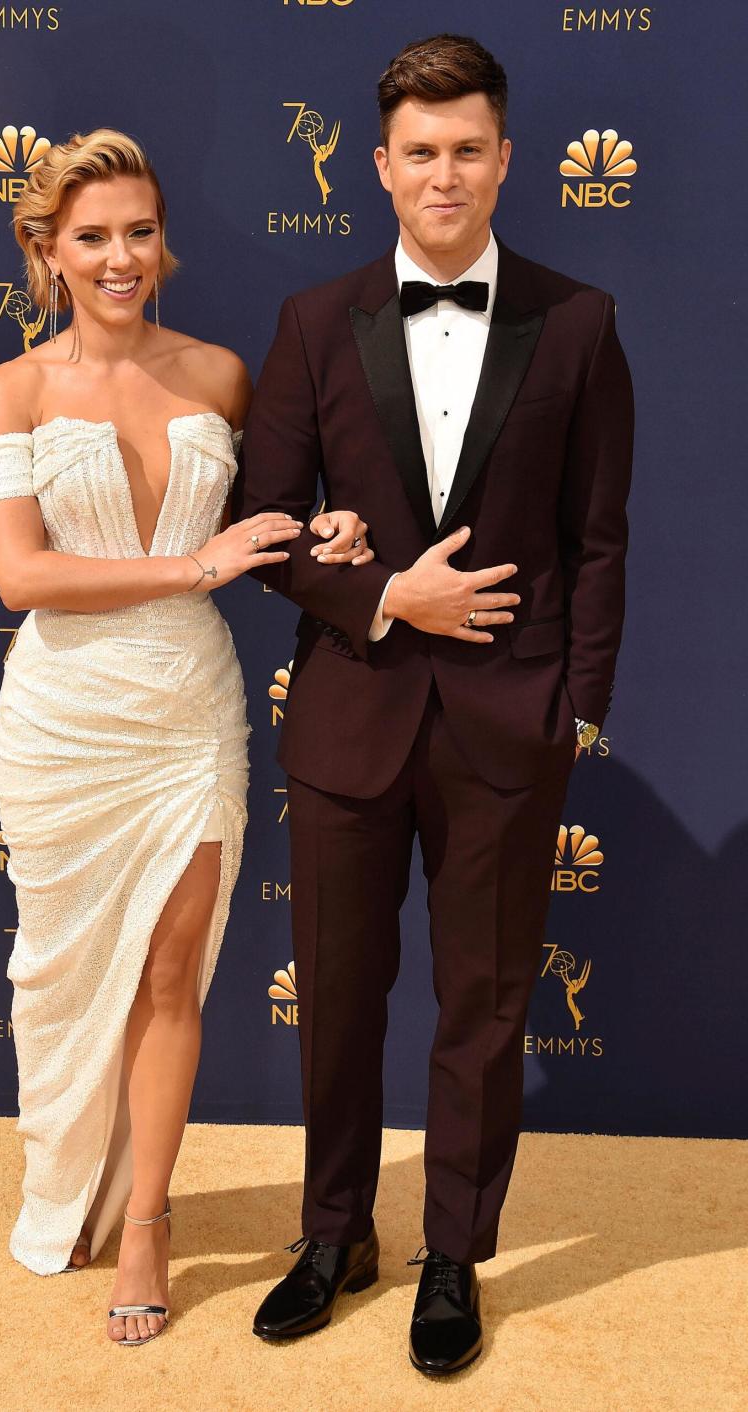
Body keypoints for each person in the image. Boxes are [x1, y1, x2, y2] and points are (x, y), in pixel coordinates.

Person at [236, 34, 633, 1375]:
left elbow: (600, 537)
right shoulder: (310, 320)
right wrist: (385, 599)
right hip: (350, 714)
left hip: (507, 733)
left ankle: (452, 1256)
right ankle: (334, 1234)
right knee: (339, 994)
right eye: (422, 150)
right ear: (380, 164)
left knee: (484, 1008)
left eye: (470, 148)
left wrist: (576, 711)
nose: (445, 173)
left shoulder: (578, 323)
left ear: (507, 159)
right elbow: (264, 527)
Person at [0, 128, 370, 1347]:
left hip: (188, 716)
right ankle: (74, 1176)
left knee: (168, 969)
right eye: (92, 235)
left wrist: (330, 533)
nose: (121, 255)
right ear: (46, 250)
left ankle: (148, 1217)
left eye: (139, 230)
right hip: (63, 720)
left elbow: (275, 526)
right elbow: (19, 573)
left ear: (163, 239)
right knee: (61, 973)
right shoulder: (13, 389)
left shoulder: (224, 376)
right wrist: (194, 562)